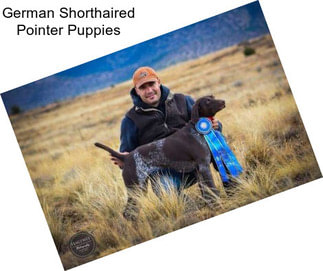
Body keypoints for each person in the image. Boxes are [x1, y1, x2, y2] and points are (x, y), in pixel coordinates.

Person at [112, 66, 223, 191]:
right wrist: (123, 160)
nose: (149, 90)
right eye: (143, 87)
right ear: (136, 91)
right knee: (163, 188)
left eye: (151, 84)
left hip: (196, 160)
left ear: (158, 82)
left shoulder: (183, 100)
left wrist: (216, 126)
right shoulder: (130, 120)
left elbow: (205, 127)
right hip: (166, 173)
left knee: (220, 149)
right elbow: (127, 155)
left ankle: (233, 186)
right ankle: (183, 208)